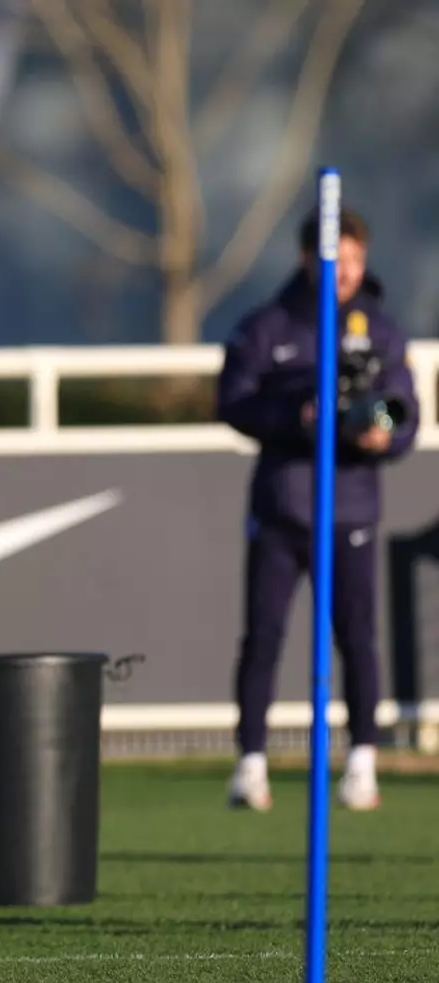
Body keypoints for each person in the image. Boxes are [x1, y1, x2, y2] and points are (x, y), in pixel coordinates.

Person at [217, 205, 417, 813]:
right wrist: (297, 418)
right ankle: (251, 763)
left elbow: (404, 415)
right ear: (310, 258)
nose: (348, 272)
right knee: (264, 637)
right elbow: (233, 401)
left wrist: (382, 433)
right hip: (282, 510)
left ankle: (362, 762)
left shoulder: (380, 332)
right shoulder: (267, 326)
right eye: (338, 259)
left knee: (357, 639)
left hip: (351, 511)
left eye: (357, 260)